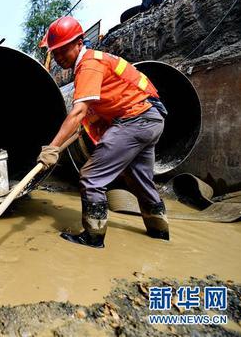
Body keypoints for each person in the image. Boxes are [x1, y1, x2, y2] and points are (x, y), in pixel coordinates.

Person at [37, 16, 169, 249]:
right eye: (54, 52)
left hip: (134, 120)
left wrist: (52, 148)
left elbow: (78, 113)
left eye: (62, 50)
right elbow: (97, 110)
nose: (58, 57)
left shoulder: (89, 64)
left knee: (91, 177)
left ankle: (93, 236)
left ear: (79, 42)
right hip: (151, 119)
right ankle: (159, 232)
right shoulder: (96, 61)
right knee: (139, 179)